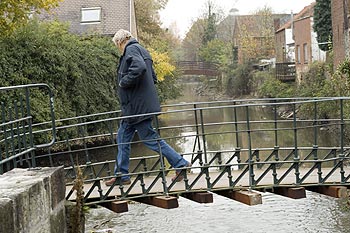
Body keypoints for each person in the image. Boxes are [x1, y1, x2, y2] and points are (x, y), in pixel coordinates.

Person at [105, 29, 191, 186]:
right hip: (133, 108)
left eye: (117, 46)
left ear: (119, 42)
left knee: (150, 138)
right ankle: (122, 175)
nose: (119, 49)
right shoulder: (142, 50)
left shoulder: (130, 49)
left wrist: (124, 82)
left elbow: (139, 68)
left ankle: (180, 163)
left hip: (137, 108)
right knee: (123, 137)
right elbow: (153, 77)